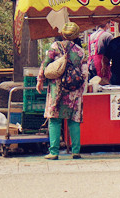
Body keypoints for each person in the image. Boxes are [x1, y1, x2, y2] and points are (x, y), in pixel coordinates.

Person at [36, 22, 87, 160]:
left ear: (63, 34)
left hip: (56, 88)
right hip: (73, 90)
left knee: (54, 119)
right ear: (77, 35)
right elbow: (84, 73)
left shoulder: (55, 47)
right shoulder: (80, 52)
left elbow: (45, 63)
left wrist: (40, 80)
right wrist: (80, 89)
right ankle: (76, 151)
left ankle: (54, 152)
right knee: (74, 120)